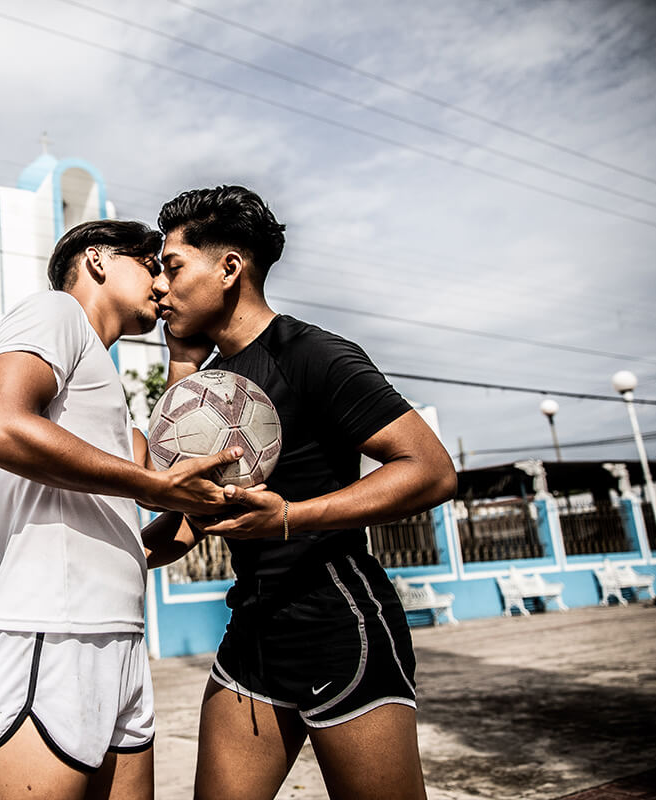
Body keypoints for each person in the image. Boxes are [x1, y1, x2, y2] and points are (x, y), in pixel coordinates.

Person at [144, 186, 457, 800]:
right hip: (254, 630)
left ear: (229, 269)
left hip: (338, 624)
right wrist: (180, 366)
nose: (159, 285)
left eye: (173, 267)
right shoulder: (211, 388)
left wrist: (290, 517)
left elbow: (431, 469)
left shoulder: (310, 353)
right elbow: (184, 513)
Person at [0, 218, 244, 800]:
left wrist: (184, 365)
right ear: (97, 260)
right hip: (54, 631)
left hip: (121, 641)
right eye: (151, 266)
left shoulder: (105, 387)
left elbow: (159, 486)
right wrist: (160, 486)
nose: (163, 285)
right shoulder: (55, 313)